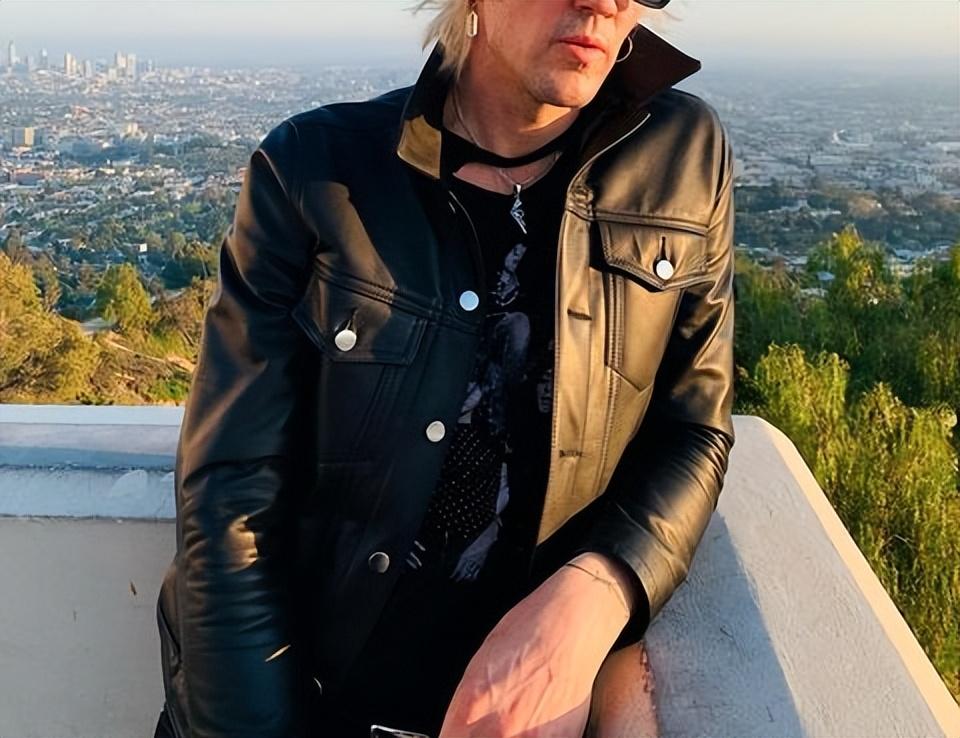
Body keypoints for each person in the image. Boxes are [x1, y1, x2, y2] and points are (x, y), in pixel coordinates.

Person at [153, 0, 737, 736]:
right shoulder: (315, 172)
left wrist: (596, 592)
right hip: (316, 705)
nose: (606, 3)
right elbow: (230, 495)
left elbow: (693, 427)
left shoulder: (682, 155)